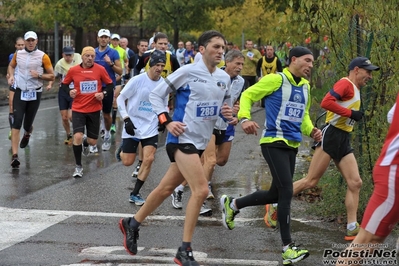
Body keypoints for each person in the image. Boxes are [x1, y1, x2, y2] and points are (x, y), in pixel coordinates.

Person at [119, 30, 233, 266]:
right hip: (181, 139)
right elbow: (155, 95)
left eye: (223, 47)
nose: (221, 51)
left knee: (165, 188)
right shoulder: (187, 72)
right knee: (201, 190)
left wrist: (229, 114)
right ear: (202, 50)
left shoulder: (224, 77)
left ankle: (132, 223)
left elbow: (224, 106)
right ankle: (184, 249)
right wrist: (166, 121)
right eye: (216, 47)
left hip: (201, 141)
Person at [220, 46, 322, 265]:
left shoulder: (305, 86)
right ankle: (287, 248)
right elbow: (248, 94)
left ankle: (233, 204)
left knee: (276, 194)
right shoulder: (276, 79)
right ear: (293, 60)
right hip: (273, 141)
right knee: (287, 190)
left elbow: (302, 116)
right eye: (307, 61)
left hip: (292, 143)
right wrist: (245, 118)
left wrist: (311, 130)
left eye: (312, 62)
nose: (310, 66)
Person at [264, 56, 380, 242]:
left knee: (355, 182)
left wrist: (351, 116)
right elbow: (326, 102)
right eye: (368, 72)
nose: (370, 76)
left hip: (343, 138)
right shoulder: (346, 84)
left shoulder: (355, 88)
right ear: (356, 69)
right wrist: (351, 113)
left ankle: (352, 226)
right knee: (311, 181)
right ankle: (274, 203)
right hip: (332, 135)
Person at [172, 50, 245, 212]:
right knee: (210, 161)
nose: (240, 67)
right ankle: (200, 198)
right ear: (228, 62)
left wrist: (237, 113)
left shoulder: (240, 82)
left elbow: (236, 102)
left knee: (221, 160)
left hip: (226, 125)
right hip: (209, 123)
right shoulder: (215, 76)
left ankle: (180, 186)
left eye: (242, 65)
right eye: (237, 64)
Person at [335, 94, 399, 266]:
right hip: (394, 171)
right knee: (368, 241)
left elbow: (391, 115)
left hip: (390, 166)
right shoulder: (345, 85)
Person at [116, 50, 168, 205]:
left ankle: (135, 193)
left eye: (162, 66)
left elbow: (164, 105)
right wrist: (126, 119)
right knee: (127, 162)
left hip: (150, 125)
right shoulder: (137, 80)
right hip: (132, 123)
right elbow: (120, 98)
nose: (159, 68)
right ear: (150, 64)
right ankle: (123, 148)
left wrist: (162, 120)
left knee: (149, 158)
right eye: (157, 65)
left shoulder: (163, 84)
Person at [131, 32, 180, 177]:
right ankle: (141, 162)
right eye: (161, 44)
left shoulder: (172, 58)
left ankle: (147, 157)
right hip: (146, 97)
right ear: (154, 44)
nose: (163, 46)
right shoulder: (146, 55)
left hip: (164, 98)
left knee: (156, 129)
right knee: (144, 130)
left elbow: (179, 75)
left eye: (166, 44)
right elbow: (136, 70)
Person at [61, 46, 113, 178]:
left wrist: (103, 93)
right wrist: (69, 91)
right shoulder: (74, 70)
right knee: (77, 136)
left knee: (93, 142)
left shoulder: (100, 69)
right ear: (82, 57)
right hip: (78, 108)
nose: (90, 58)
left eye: (92, 56)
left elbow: (110, 85)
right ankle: (78, 166)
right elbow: (64, 85)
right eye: (87, 56)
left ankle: (86, 142)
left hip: (94, 109)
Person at [7, 31, 55, 169]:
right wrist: (11, 76)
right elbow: (11, 66)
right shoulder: (18, 54)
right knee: (16, 122)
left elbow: (52, 76)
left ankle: (28, 132)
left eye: (32, 40)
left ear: (37, 41)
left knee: (27, 124)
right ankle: (15, 156)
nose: (30, 42)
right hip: (20, 91)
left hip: (35, 93)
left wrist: (39, 75)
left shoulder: (43, 57)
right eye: (28, 40)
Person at [94, 29, 122, 151]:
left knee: (106, 114)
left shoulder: (113, 52)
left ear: (109, 39)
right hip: (94, 86)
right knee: (93, 114)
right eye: (102, 37)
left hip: (108, 86)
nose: (104, 39)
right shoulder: (93, 52)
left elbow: (120, 71)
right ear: (98, 38)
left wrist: (110, 63)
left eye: (106, 37)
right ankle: (93, 141)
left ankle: (107, 134)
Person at [48, 46, 82, 145]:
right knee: (64, 117)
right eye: (66, 55)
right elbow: (54, 76)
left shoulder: (78, 61)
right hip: (63, 91)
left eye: (70, 55)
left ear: (73, 54)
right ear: (63, 55)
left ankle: (78, 132)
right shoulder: (59, 64)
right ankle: (69, 135)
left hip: (74, 91)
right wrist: (50, 84)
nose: (68, 57)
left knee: (71, 116)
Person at [109, 33, 129, 135]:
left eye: (117, 40)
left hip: (118, 77)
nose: (115, 42)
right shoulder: (108, 49)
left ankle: (112, 124)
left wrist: (125, 69)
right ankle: (105, 121)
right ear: (111, 40)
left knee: (115, 99)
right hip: (108, 76)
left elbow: (126, 61)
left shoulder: (122, 51)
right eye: (114, 40)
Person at [6, 37, 25, 141]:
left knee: (24, 109)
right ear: (15, 45)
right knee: (12, 106)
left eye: (22, 45)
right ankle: (12, 130)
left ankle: (25, 130)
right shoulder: (12, 56)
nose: (21, 47)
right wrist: (9, 75)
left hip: (25, 86)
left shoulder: (29, 56)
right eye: (19, 45)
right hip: (14, 84)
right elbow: (10, 67)